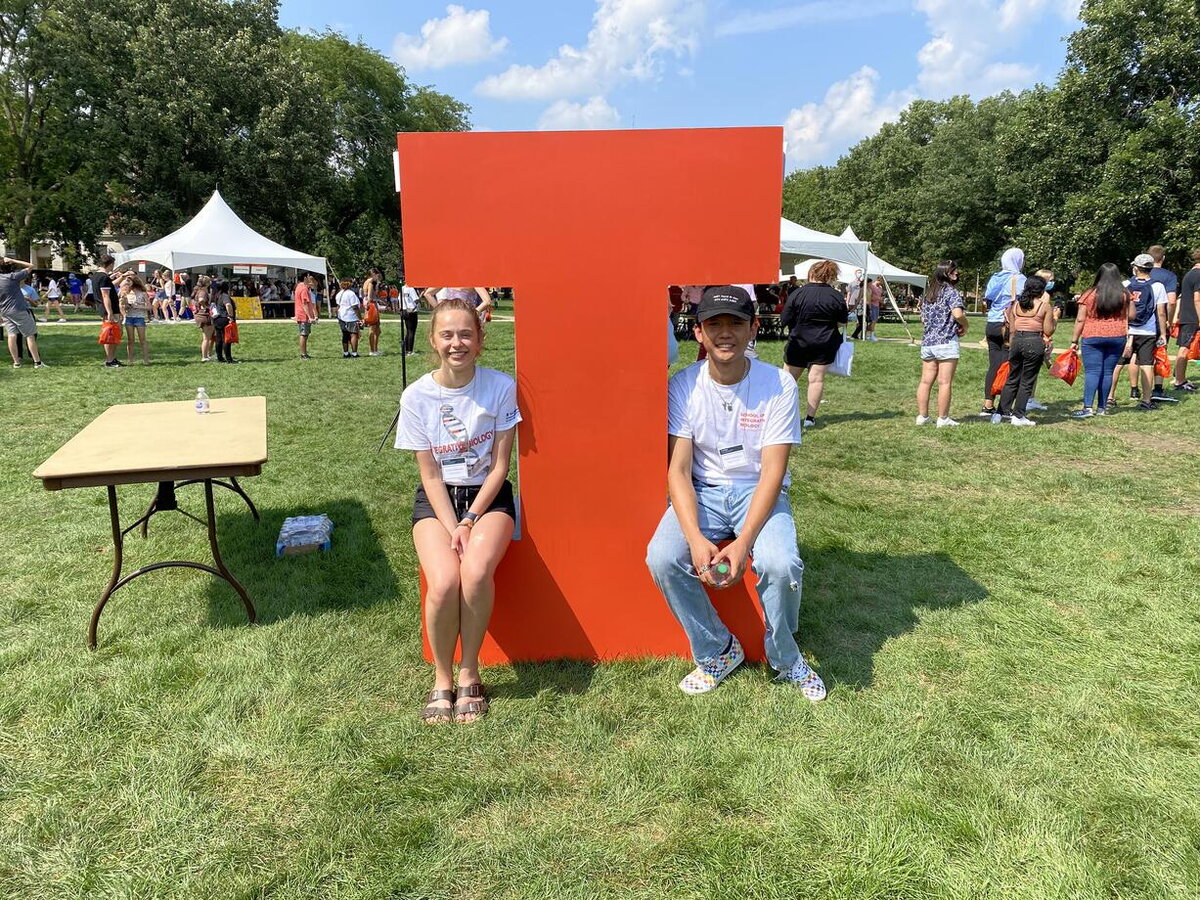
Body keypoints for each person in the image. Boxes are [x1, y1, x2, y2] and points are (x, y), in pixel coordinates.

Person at [645, 286, 824, 700]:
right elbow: (679, 470)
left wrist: (743, 543)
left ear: (754, 328)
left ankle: (785, 657)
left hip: (757, 491)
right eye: (714, 324)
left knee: (780, 564)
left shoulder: (778, 384)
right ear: (699, 333)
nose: (725, 333)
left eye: (736, 323)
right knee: (662, 557)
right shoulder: (684, 385)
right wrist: (695, 538)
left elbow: (773, 473)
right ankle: (717, 650)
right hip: (702, 491)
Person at [395, 298, 520, 724]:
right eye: (447, 334)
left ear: (480, 340)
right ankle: (442, 677)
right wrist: (453, 525)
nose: (457, 343)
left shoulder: (500, 386)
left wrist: (470, 520)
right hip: (437, 501)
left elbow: (500, 467)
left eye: (466, 334)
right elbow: (429, 475)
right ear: (433, 340)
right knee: (445, 580)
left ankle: (469, 670)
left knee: (476, 571)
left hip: (488, 498)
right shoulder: (416, 396)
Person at [780, 260, 849, 428]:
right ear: (830, 276)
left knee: (788, 380)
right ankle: (810, 418)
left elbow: (784, 319)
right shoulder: (836, 296)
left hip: (798, 341)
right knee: (816, 380)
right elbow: (842, 321)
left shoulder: (797, 293)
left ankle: (781, 414)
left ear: (811, 273)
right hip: (824, 342)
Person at [1109, 254, 1169, 411]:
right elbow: (1161, 312)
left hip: (1126, 330)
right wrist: (1163, 333)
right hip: (1147, 331)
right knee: (1146, 365)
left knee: (1117, 364)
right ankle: (1147, 400)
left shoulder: (1125, 284)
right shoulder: (1158, 286)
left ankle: (1110, 397)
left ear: (1135, 268)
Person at [1069, 263, 1129, 417]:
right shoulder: (1124, 294)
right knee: (1108, 372)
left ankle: (1088, 408)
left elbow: (1080, 319)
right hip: (1117, 335)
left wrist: (1074, 340)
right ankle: (1102, 408)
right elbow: (1132, 315)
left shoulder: (1089, 294)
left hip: (1092, 335)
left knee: (1092, 372)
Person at [994, 275, 1054, 425]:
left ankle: (1000, 413)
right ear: (1041, 291)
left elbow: (1012, 329)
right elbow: (1048, 330)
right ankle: (1018, 415)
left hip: (1017, 341)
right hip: (1034, 341)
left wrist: (1012, 344)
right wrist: (1055, 319)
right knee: (1027, 381)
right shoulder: (1044, 306)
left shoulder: (1016, 305)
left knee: (1012, 378)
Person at [916, 260, 969, 427]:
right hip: (946, 341)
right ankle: (943, 418)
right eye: (953, 271)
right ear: (946, 274)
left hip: (928, 342)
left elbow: (923, 319)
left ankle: (922, 416)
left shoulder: (929, 293)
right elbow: (958, 314)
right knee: (944, 382)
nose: (956, 273)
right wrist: (966, 325)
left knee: (925, 382)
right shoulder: (951, 292)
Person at [981, 248, 1026, 416]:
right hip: (1008, 325)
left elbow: (988, 298)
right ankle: (1004, 407)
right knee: (1010, 366)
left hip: (992, 323)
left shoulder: (995, 277)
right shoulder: (1019, 279)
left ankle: (988, 404)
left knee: (994, 365)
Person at [0, 254, 47, 368]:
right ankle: (37, 362)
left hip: (5, 311)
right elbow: (31, 266)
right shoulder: (12, 277)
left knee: (11, 335)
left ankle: (16, 362)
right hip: (18, 309)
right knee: (30, 335)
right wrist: (13, 260)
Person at [1146, 245, 1179, 403]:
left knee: (1138, 356)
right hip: (1160, 320)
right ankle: (1157, 388)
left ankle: (1134, 389)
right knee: (1160, 352)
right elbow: (1171, 301)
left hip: (1142, 321)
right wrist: (1169, 320)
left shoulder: (1142, 273)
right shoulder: (1169, 276)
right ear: (1163, 258)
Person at [1172, 249, 1200, 391]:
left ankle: (1179, 378)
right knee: (1184, 349)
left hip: (1187, 316)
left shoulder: (1190, 273)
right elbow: (1197, 299)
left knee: (1183, 348)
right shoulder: (1198, 275)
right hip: (1192, 317)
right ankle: (1179, 381)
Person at [117, 273, 152, 364]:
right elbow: (123, 307)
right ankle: (131, 360)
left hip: (139, 317)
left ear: (134, 281)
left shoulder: (143, 293)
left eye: (129, 281)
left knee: (142, 340)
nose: (127, 283)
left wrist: (138, 306)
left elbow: (149, 307)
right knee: (130, 340)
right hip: (129, 317)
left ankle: (146, 360)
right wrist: (125, 304)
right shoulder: (126, 293)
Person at [94, 256, 121, 368]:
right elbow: (105, 295)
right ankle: (109, 360)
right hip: (109, 309)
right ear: (110, 264)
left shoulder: (97, 275)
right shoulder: (104, 277)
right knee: (111, 334)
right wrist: (110, 312)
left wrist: (121, 277)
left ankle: (112, 358)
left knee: (113, 333)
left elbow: (110, 286)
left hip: (104, 308)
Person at [335, 279, 362, 357]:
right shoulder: (351, 294)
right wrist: (360, 318)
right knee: (354, 334)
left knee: (345, 334)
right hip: (351, 316)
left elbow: (338, 305)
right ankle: (354, 353)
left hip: (341, 316)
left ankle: (346, 353)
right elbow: (355, 307)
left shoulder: (339, 293)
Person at [190, 275, 215, 361]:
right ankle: (204, 356)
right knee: (206, 338)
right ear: (207, 283)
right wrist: (206, 307)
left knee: (208, 337)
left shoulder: (198, 290)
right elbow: (201, 300)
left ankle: (207, 355)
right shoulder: (202, 292)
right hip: (204, 315)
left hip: (200, 315)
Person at [211, 282, 235, 363]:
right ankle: (229, 358)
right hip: (224, 318)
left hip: (217, 319)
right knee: (227, 339)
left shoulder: (216, 295)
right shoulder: (225, 296)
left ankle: (220, 357)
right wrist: (231, 316)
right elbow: (228, 305)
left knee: (219, 339)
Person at [294, 273, 317, 359]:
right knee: (304, 335)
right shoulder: (304, 289)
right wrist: (310, 317)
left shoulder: (299, 286)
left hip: (301, 314)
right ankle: (303, 354)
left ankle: (304, 353)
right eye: (308, 277)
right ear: (304, 278)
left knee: (305, 334)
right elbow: (305, 304)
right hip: (303, 315)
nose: (310, 279)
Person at [362, 269, 382, 356]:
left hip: (372, 305)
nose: (378, 277)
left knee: (377, 330)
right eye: (377, 275)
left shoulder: (369, 282)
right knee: (373, 329)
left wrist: (377, 285)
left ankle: (375, 349)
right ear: (373, 274)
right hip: (372, 306)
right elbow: (370, 297)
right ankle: (372, 350)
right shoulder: (370, 283)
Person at [400, 282, 420, 355]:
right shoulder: (411, 289)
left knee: (408, 331)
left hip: (404, 310)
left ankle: (406, 349)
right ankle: (410, 350)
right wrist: (420, 296)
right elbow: (416, 300)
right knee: (412, 331)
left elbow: (400, 299)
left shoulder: (402, 288)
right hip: (411, 311)